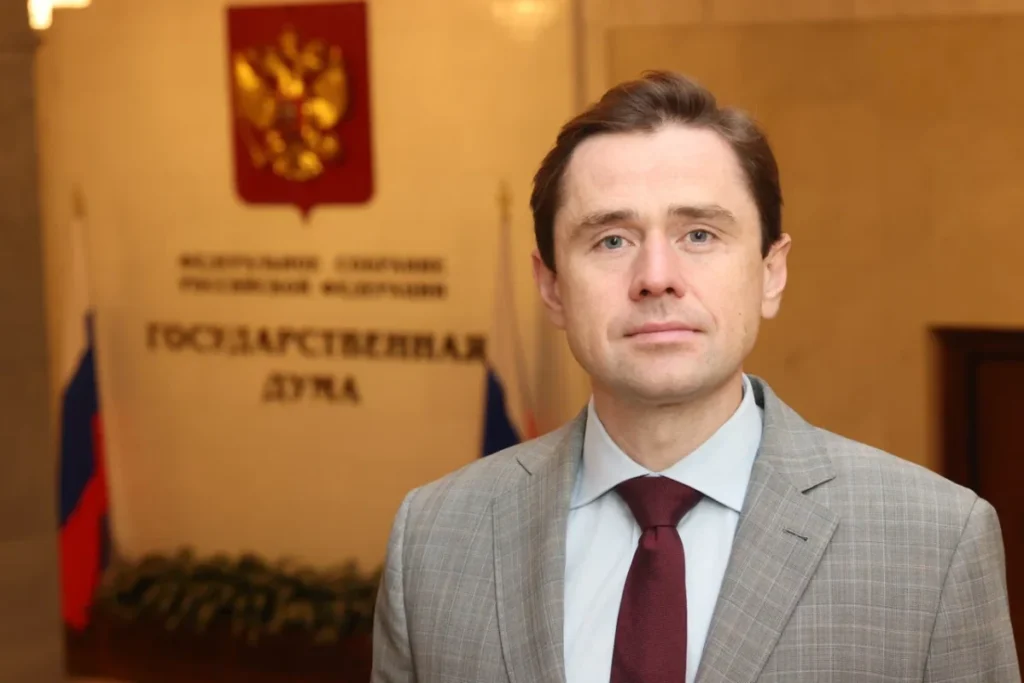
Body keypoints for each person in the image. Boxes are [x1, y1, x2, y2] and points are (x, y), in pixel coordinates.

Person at [370, 70, 1020, 683]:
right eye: (612, 240)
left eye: (700, 234)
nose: (656, 277)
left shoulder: (935, 543)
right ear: (552, 287)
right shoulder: (433, 539)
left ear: (771, 272)